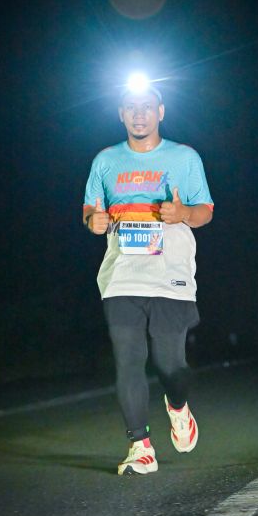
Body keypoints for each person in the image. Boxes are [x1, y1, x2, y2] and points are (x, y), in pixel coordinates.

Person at [83, 81, 214, 475]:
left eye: (146, 106)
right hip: (122, 275)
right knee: (128, 360)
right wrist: (93, 221)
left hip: (170, 273)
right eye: (130, 107)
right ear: (121, 114)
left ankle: (178, 406)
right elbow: (90, 210)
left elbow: (205, 210)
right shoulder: (105, 160)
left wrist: (183, 214)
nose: (138, 114)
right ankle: (140, 446)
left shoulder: (184, 157)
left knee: (170, 364)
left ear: (160, 112)